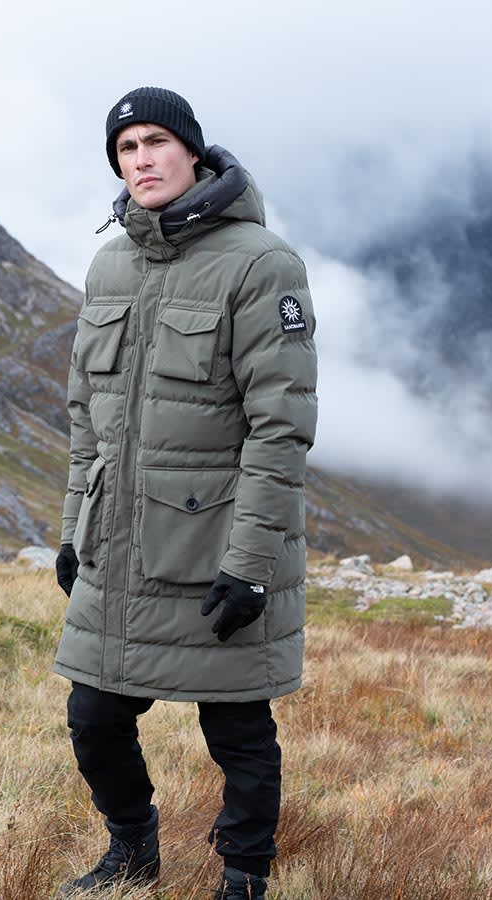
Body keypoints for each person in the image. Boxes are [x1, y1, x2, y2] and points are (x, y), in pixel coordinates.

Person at [53, 86, 318, 899]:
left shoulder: (261, 263)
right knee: (94, 720)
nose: (141, 161)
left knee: (237, 729)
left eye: (155, 142)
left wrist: (251, 566)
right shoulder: (109, 265)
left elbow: (281, 429)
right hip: (120, 551)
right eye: (125, 149)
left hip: (215, 553)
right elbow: (85, 418)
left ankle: (243, 877)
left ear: (193, 152)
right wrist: (74, 530)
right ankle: (132, 853)